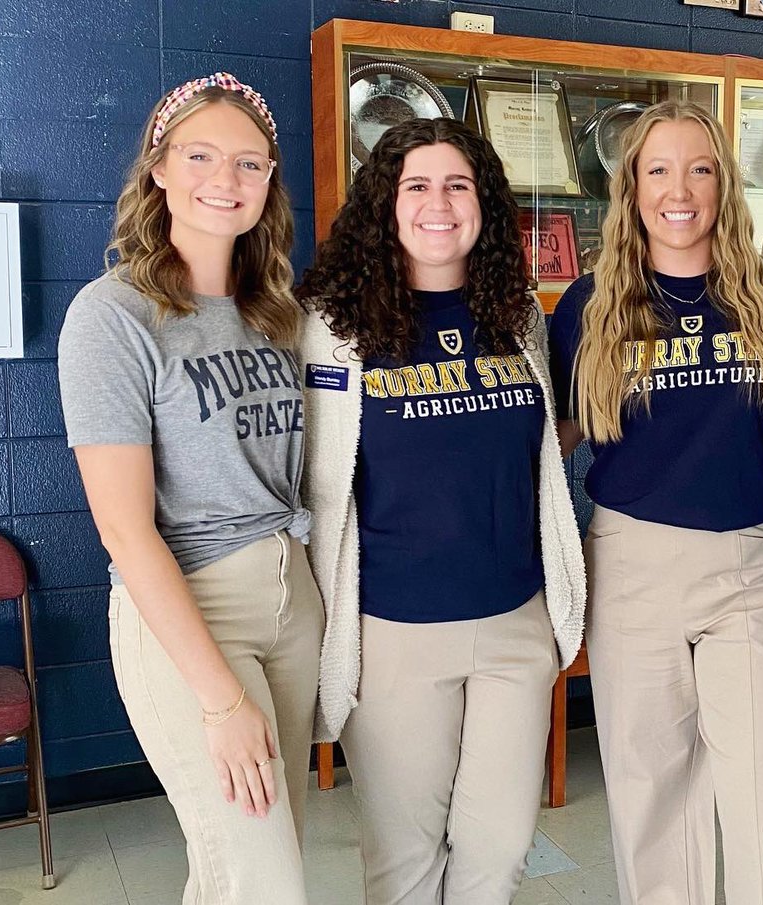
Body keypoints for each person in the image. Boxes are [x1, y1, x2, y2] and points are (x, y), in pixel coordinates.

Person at [295, 117, 586, 905]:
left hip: (514, 627)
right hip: (392, 636)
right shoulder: (328, 326)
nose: (438, 203)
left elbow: (541, 444)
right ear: (384, 204)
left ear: (484, 203)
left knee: (498, 851)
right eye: (415, 185)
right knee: (404, 865)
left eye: (458, 184)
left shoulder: (516, 317)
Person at [58, 73, 322, 904]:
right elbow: (125, 530)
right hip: (193, 608)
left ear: (269, 183)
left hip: (293, 597)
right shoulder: (114, 315)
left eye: (250, 164)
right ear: (160, 169)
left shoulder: (279, 312)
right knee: (265, 879)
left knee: (248, 868)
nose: (226, 179)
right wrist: (218, 698)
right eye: (201, 155)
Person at [549, 100, 763, 905]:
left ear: (723, 184)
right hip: (634, 563)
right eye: (658, 169)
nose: (680, 189)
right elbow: (550, 442)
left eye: (700, 168)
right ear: (629, 188)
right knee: (651, 798)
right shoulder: (587, 305)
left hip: (755, 566)